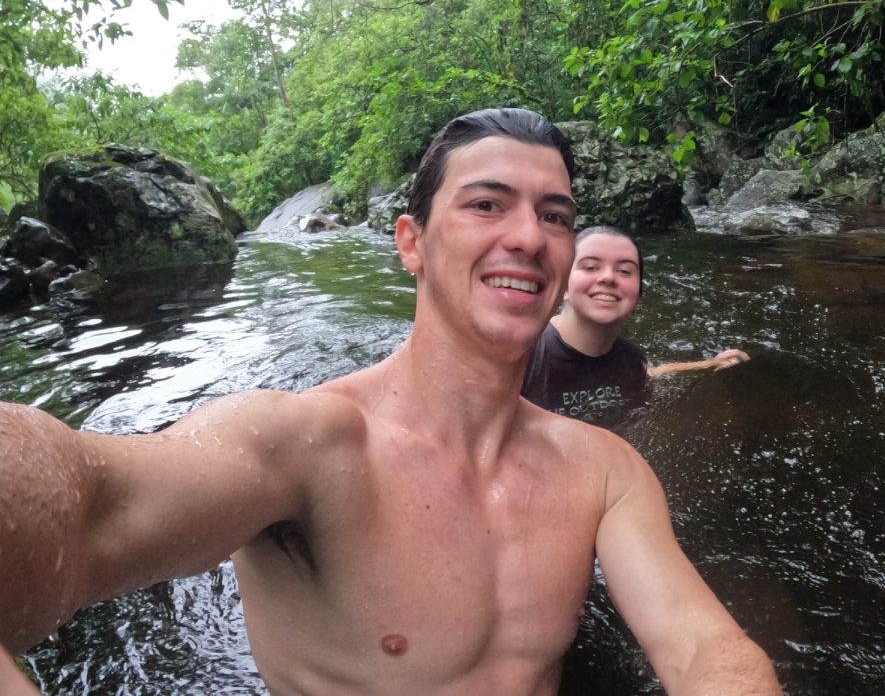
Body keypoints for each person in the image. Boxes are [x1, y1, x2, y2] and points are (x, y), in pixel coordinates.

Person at [0, 108, 781, 696]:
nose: (528, 236)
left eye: (554, 215)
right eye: (487, 204)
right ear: (411, 242)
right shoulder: (303, 448)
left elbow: (702, 649)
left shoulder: (605, 469)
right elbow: (91, 502)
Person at [522, 225, 749, 427]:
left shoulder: (630, 360)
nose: (608, 277)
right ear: (563, 286)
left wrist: (711, 364)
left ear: (639, 293)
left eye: (624, 271)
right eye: (590, 267)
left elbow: (650, 375)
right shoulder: (523, 353)